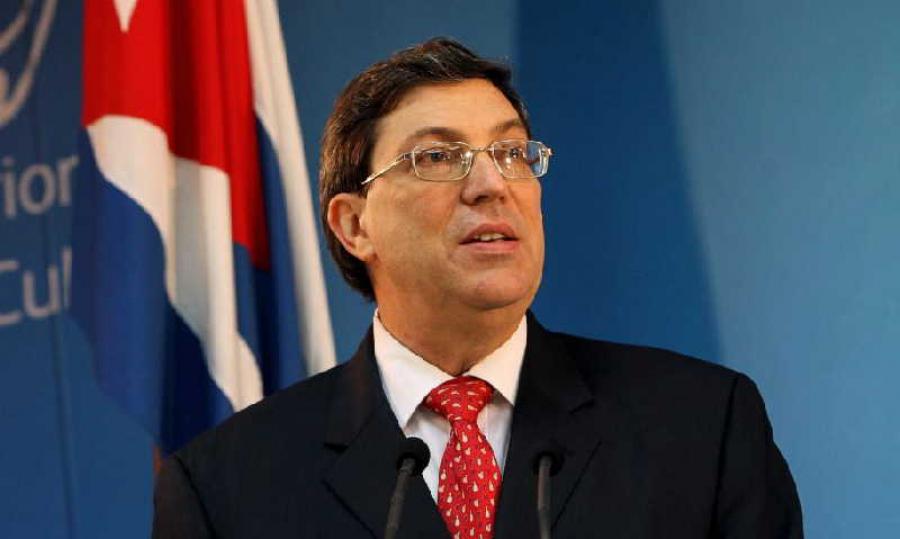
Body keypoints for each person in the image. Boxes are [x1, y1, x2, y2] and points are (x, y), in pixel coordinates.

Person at [153, 38, 802, 538]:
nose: (491, 185)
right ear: (354, 225)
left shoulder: (701, 427)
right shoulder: (227, 485)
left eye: (513, 153)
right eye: (438, 157)